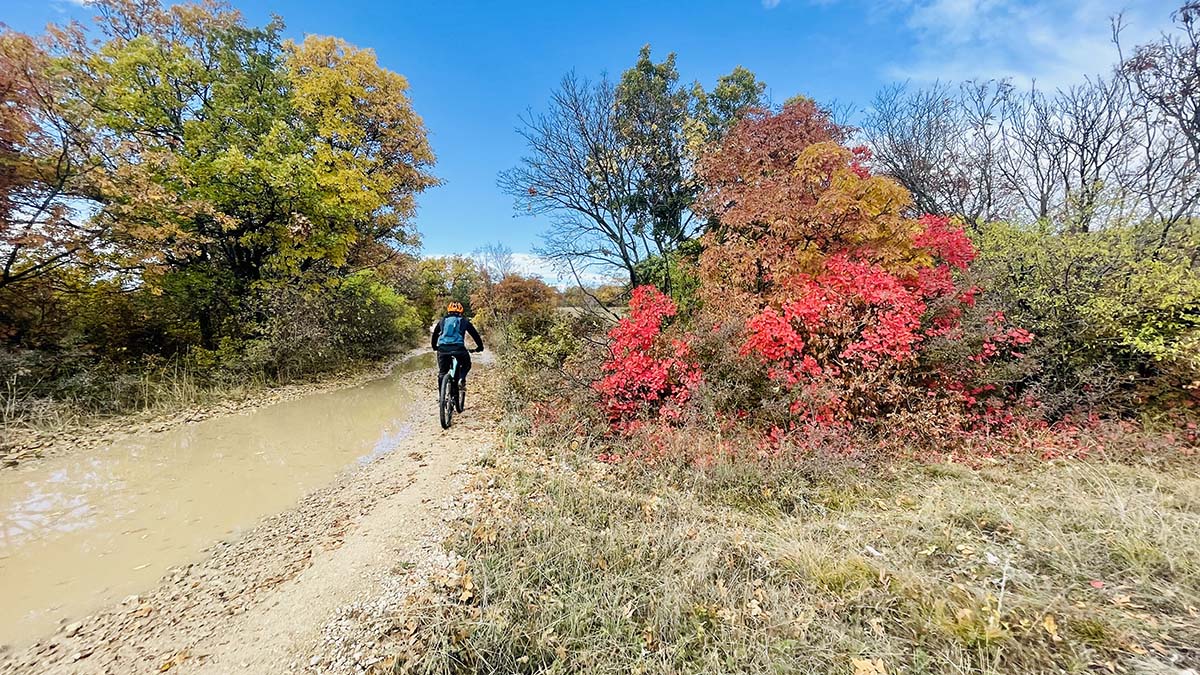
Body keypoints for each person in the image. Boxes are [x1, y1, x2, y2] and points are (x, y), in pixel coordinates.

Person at [431, 302, 484, 388]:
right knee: (466, 365)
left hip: (443, 349)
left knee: (442, 372)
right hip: (459, 349)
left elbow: (435, 335)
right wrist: (480, 347)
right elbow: (475, 335)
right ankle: (461, 378)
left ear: (448, 312)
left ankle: (441, 398)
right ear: (460, 312)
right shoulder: (464, 321)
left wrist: (434, 347)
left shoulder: (442, 321)